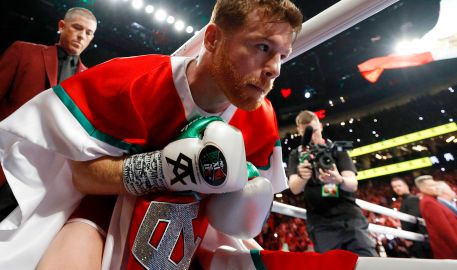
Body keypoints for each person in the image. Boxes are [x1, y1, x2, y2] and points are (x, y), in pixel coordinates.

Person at [0, 1, 304, 269]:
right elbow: (81, 175)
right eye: (262, 47)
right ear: (212, 39)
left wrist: (242, 205)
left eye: (282, 55)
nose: (274, 69)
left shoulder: (262, 119)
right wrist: (162, 169)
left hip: (187, 235)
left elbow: (239, 222)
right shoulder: (134, 81)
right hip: (101, 211)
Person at [0, 7, 97, 221]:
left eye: (88, 33)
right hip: (5, 159)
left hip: (42, 179)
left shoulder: (91, 80)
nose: (82, 36)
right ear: (62, 26)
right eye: (77, 28)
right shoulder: (23, 51)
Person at [288, 110, 378, 257]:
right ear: (299, 131)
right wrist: (302, 176)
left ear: (321, 127)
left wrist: (339, 180)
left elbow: (352, 184)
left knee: (368, 263)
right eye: (307, 133)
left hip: (350, 219)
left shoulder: (337, 148)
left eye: (314, 131)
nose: (311, 136)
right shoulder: (296, 155)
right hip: (321, 224)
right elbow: (294, 188)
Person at [415, 175, 457, 259]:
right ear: (422, 189)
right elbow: (446, 232)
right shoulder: (428, 203)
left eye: (435, 184)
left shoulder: (434, 201)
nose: (436, 188)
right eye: (432, 186)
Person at [390, 177, 431, 258]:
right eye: (394, 187)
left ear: (406, 186)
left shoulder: (412, 199)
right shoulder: (405, 201)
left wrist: (402, 227)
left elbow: (410, 223)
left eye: (399, 185)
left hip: (422, 242)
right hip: (418, 241)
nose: (397, 188)